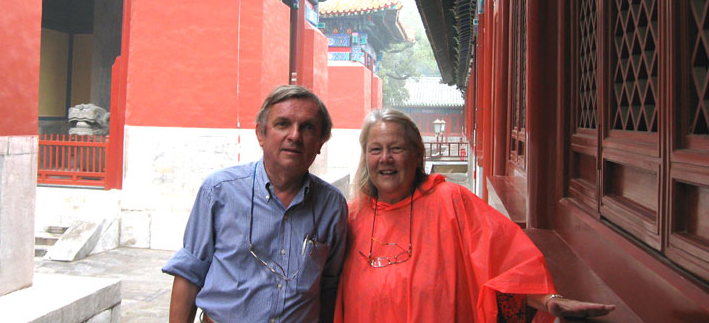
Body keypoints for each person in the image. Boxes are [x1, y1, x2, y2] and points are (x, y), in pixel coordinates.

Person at [334, 108, 616, 323]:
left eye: (396, 148)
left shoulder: (451, 201)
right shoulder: (351, 216)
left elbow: (507, 258)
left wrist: (548, 300)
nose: (385, 158)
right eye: (375, 150)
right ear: (366, 157)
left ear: (418, 155)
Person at [164, 85, 347, 323]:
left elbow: (330, 287)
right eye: (282, 124)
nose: (295, 136)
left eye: (308, 127)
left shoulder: (332, 205)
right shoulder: (220, 191)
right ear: (261, 134)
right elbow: (189, 273)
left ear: (321, 141)